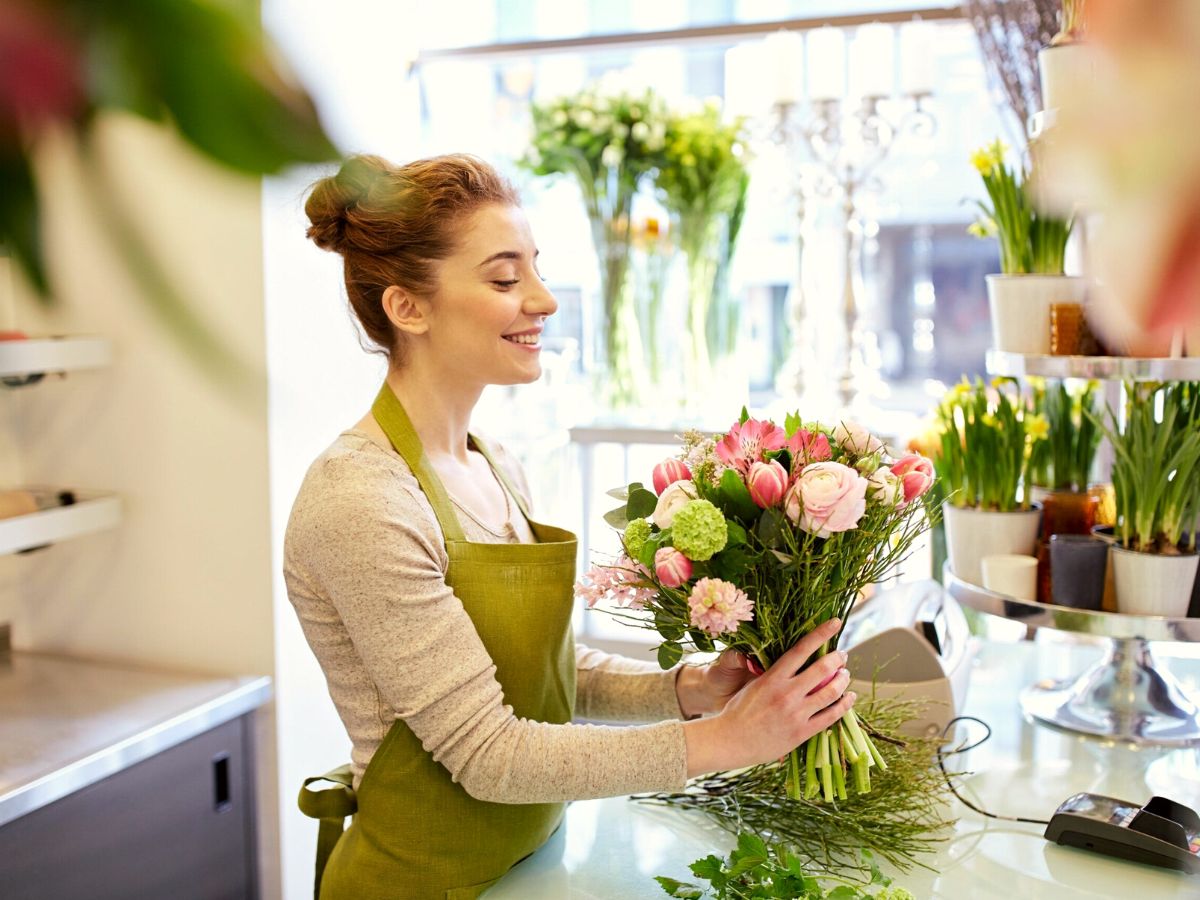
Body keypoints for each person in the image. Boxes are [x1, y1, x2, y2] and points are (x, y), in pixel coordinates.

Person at [285, 153, 857, 900]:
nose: (545, 300)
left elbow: (545, 674)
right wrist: (723, 742)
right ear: (408, 308)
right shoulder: (360, 498)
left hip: (533, 870)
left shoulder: (493, 464)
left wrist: (690, 691)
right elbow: (488, 753)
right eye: (503, 278)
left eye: (536, 270)